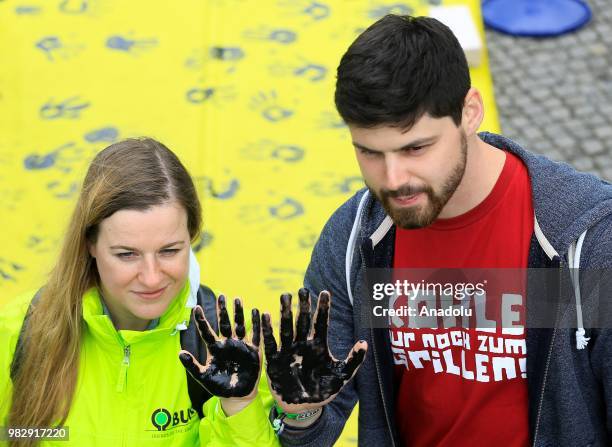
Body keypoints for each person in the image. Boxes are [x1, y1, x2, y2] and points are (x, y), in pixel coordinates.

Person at [275, 14, 612, 447]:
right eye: (369, 152)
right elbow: (311, 428)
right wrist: (301, 410)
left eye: (415, 147)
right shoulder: (353, 240)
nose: (394, 178)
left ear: (469, 112)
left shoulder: (589, 242)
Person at [0, 138, 279, 446]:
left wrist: (239, 407)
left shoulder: (228, 343)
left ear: (192, 237)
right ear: (89, 244)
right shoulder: (18, 331)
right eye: (126, 254)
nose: (150, 277)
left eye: (169, 251)